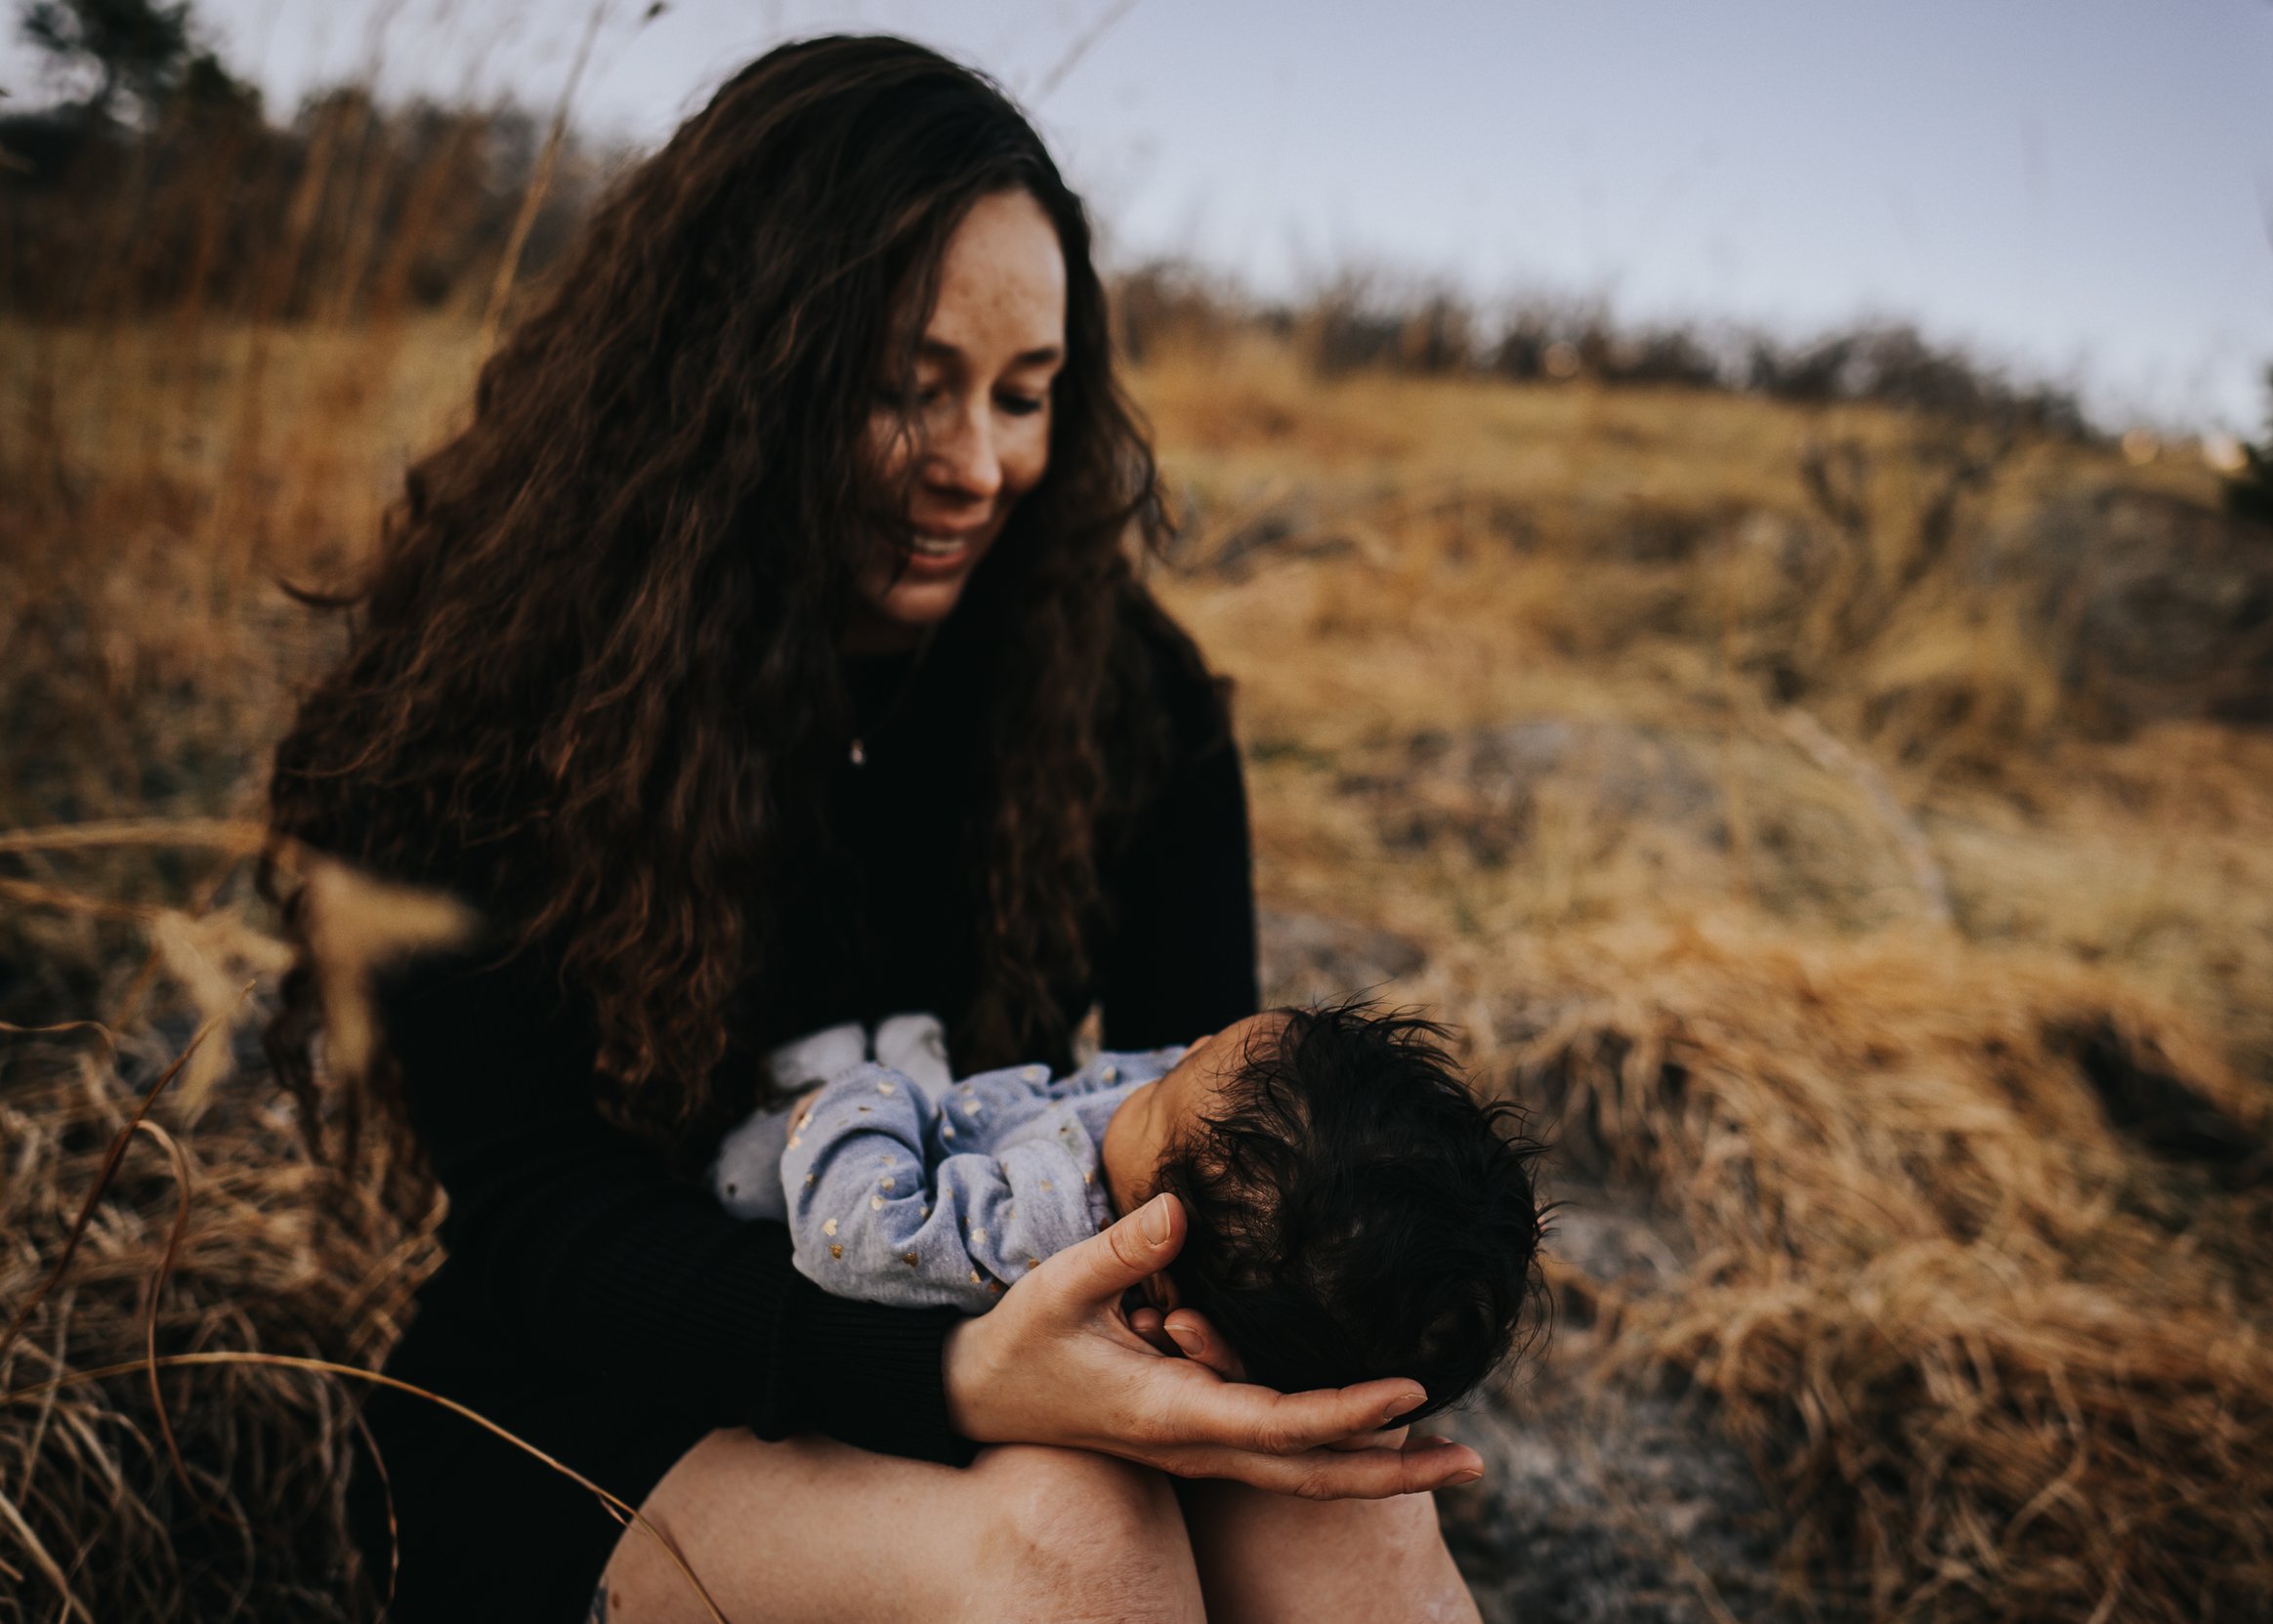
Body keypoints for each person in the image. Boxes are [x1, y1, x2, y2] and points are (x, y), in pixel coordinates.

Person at [264, 33, 1490, 1624]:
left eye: (1025, 393)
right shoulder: (490, 699)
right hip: (609, 1388)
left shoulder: (1122, 691)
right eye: (906, 388)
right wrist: (968, 1379)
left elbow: (1207, 1109)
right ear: (736, 369)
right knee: (1073, 1549)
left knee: (1359, 1536)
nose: (977, 465)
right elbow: (540, 1224)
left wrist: (1207, 1364)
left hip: (1022, 1321)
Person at [755, 1004, 1543, 1416]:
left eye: (1170, 1078)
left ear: (1155, 1271)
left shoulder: (1047, 1218)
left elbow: (860, 1231)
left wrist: (863, 1094)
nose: (1182, 1048)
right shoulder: (1210, 1157)